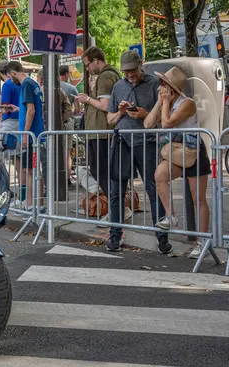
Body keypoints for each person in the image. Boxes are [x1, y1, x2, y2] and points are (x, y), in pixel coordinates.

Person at [106, 50, 171, 254]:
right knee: (116, 191)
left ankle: (162, 239)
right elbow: (110, 119)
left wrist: (145, 114)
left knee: (154, 190)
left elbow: (164, 118)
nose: (130, 74)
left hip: (147, 143)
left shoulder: (154, 84)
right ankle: (114, 237)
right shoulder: (119, 85)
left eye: (133, 70)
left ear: (140, 64)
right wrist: (121, 112)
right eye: (126, 71)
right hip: (122, 142)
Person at [145, 66, 211, 259]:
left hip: (193, 152)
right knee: (160, 175)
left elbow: (166, 123)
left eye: (163, 85)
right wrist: (159, 103)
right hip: (175, 153)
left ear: (172, 88)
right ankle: (170, 215)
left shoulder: (187, 103)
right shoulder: (166, 101)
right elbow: (148, 124)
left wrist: (165, 102)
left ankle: (202, 241)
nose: (160, 88)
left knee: (198, 199)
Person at [77, 46, 123, 225]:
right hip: (99, 131)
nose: (87, 69)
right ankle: (116, 208)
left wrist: (87, 99)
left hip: (102, 132)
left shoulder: (105, 76)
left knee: (101, 170)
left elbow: (105, 105)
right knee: (99, 170)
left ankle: (116, 209)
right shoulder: (109, 75)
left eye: (87, 65)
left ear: (96, 61)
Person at [5, 61, 45, 210]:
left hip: (31, 135)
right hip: (33, 134)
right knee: (32, 169)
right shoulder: (32, 83)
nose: (11, 80)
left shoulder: (26, 84)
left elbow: (31, 110)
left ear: (13, 73)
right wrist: (17, 109)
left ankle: (32, 204)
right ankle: (34, 203)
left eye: (10, 77)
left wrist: (25, 134)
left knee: (30, 170)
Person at [0, 60, 21, 132]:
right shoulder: (20, 83)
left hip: (10, 123)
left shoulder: (7, 85)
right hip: (21, 120)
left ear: (0, 72)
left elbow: (5, 110)